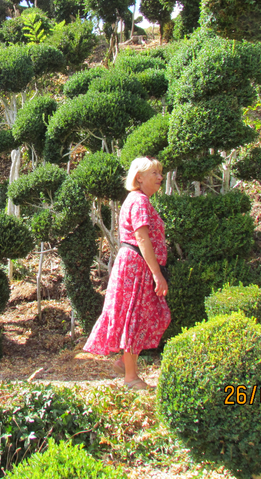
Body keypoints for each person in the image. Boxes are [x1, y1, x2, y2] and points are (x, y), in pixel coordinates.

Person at [83, 157, 170, 390]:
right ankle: (131, 378)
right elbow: (142, 238)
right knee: (135, 315)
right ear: (139, 177)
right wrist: (157, 274)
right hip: (137, 266)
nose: (160, 177)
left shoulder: (137, 200)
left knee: (150, 314)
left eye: (161, 173)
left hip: (135, 264)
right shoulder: (139, 201)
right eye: (155, 173)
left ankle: (125, 362)